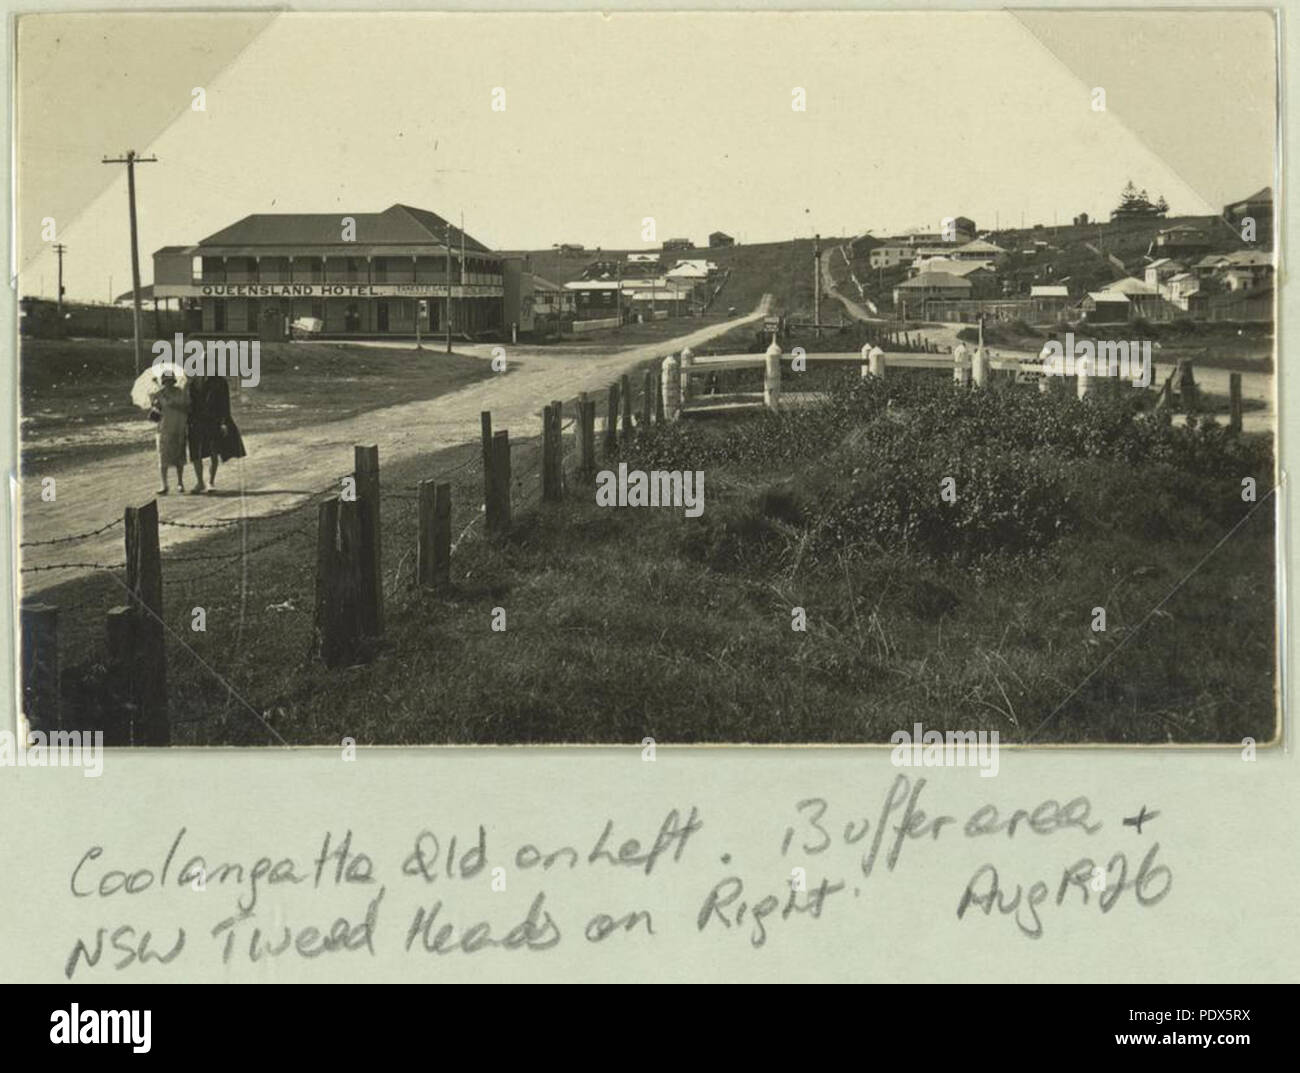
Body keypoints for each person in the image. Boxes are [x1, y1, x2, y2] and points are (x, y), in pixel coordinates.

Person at [187, 373, 242, 492]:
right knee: (196, 453)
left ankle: (211, 482)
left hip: (213, 421)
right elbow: (189, 402)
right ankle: (200, 482)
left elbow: (225, 404)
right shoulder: (193, 382)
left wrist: (224, 422)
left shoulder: (220, 382)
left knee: (214, 452)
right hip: (195, 422)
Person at [150, 371, 189, 495]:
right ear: (163, 382)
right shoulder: (158, 394)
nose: (168, 384)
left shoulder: (180, 393)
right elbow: (154, 414)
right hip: (163, 429)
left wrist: (175, 404)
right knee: (163, 458)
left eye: (170, 381)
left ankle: (180, 483)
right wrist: (155, 406)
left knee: (179, 457)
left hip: (179, 427)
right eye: (166, 382)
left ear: (173, 381)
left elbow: (187, 408)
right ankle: (164, 484)